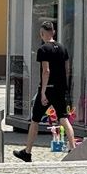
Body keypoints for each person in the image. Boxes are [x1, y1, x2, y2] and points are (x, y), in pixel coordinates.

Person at [13, 20, 75, 161]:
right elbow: (67, 69)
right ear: (53, 32)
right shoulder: (62, 48)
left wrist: (43, 92)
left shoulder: (43, 49)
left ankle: (27, 152)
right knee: (64, 118)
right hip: (59, 88)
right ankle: (73, 148)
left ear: (42, 34)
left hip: (48, 89)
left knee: (35, 120)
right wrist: (64, 85)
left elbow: (46, 71)